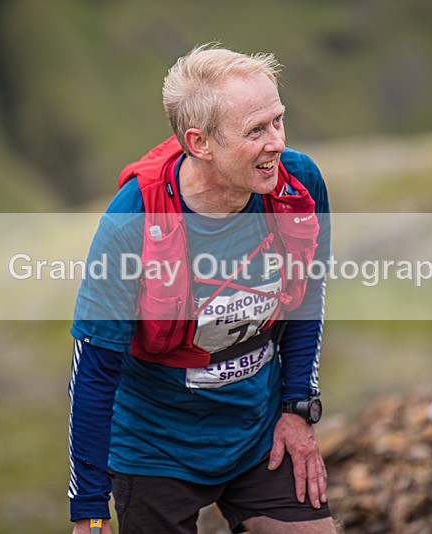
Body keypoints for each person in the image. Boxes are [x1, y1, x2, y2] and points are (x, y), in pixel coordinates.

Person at [68, 43, 334, 534]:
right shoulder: (132, 222)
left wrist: (298, 409)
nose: (276, 142)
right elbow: (93, 369)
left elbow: (307, 298)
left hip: (259, 436)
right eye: (256, 130)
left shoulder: (299, 185)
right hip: (155, 450)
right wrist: (87, 505)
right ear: (200, 143)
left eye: (278, 120)